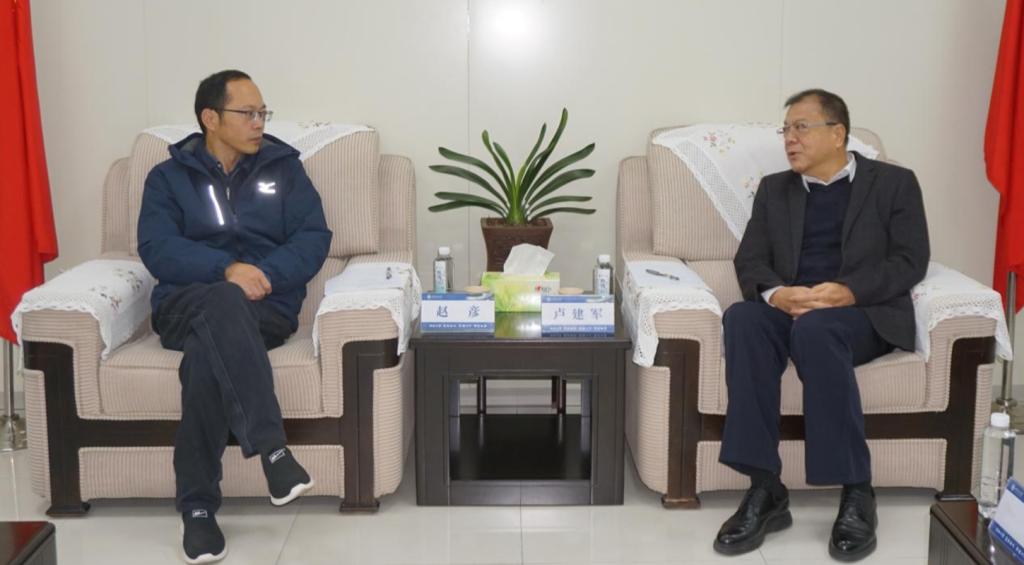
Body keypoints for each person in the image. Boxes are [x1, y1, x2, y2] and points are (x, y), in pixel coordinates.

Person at [713, 89, 929, 562]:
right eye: (786, 130)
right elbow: (750, 260)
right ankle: (765, 487)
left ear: (838, 133)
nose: (789, 139)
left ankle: (857, 489)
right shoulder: (775, 190)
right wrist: (777, 294)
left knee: (818, 330)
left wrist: (848, 291)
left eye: (801, 127)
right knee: (742, 318)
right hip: (791, 308)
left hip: (861, 314)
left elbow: (910, 260)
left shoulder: (894, 184)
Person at [137, 69, 332, 564]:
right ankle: (272, 450)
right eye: (247, 113)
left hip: (265, 306)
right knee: (223, 300)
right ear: (210, 118)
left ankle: (198, 510)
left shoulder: (285, 170)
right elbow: (157, 248)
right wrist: (226, 270)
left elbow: (314, 238)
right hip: (184, 305)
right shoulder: (167, 179)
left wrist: (262, 275)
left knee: (206, 355)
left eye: (263, 112)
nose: (259, 122)